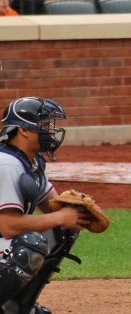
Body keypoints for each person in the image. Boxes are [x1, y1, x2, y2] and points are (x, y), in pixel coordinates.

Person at [0, 97, 91, 314]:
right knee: (29, 247)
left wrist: (76, 209)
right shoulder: (6, 164)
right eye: (43, 125)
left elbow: (54, 206)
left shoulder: (30, 161)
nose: (50, 131)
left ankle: (17, 307)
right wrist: (61, 217)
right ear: (23, 130)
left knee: (63, 231)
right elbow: (8, 226)